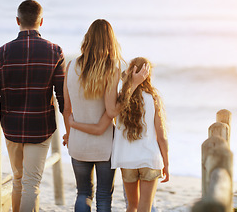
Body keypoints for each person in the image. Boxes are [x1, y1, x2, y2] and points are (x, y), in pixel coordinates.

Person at [0, 0, 67, 212]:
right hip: (41, 126)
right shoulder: (55, 51)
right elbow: (63, 97)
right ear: (42, 21)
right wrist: (70, 130)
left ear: (17, 21)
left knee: (18, 179)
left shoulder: (2, 52)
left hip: (12, 128)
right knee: (31, 184)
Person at [62, 19, 149, 212]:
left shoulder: (70, 66)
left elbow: (67, 109)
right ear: (111, 41)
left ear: (88, 39)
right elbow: (111, 111)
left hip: (78, 142)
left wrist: (69, 134)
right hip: (104, 145)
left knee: (83, 193)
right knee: (103, 196)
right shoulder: (112, 68)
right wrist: (133, 85)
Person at [69, 57, 169, 212]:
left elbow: (111, 118)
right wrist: (166, 165)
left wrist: (129, 77)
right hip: (149, 159)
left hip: (126, 160)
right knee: (145, 207)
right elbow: (161, 137)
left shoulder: (121, 99)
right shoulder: (153, 98)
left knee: (132, 206)